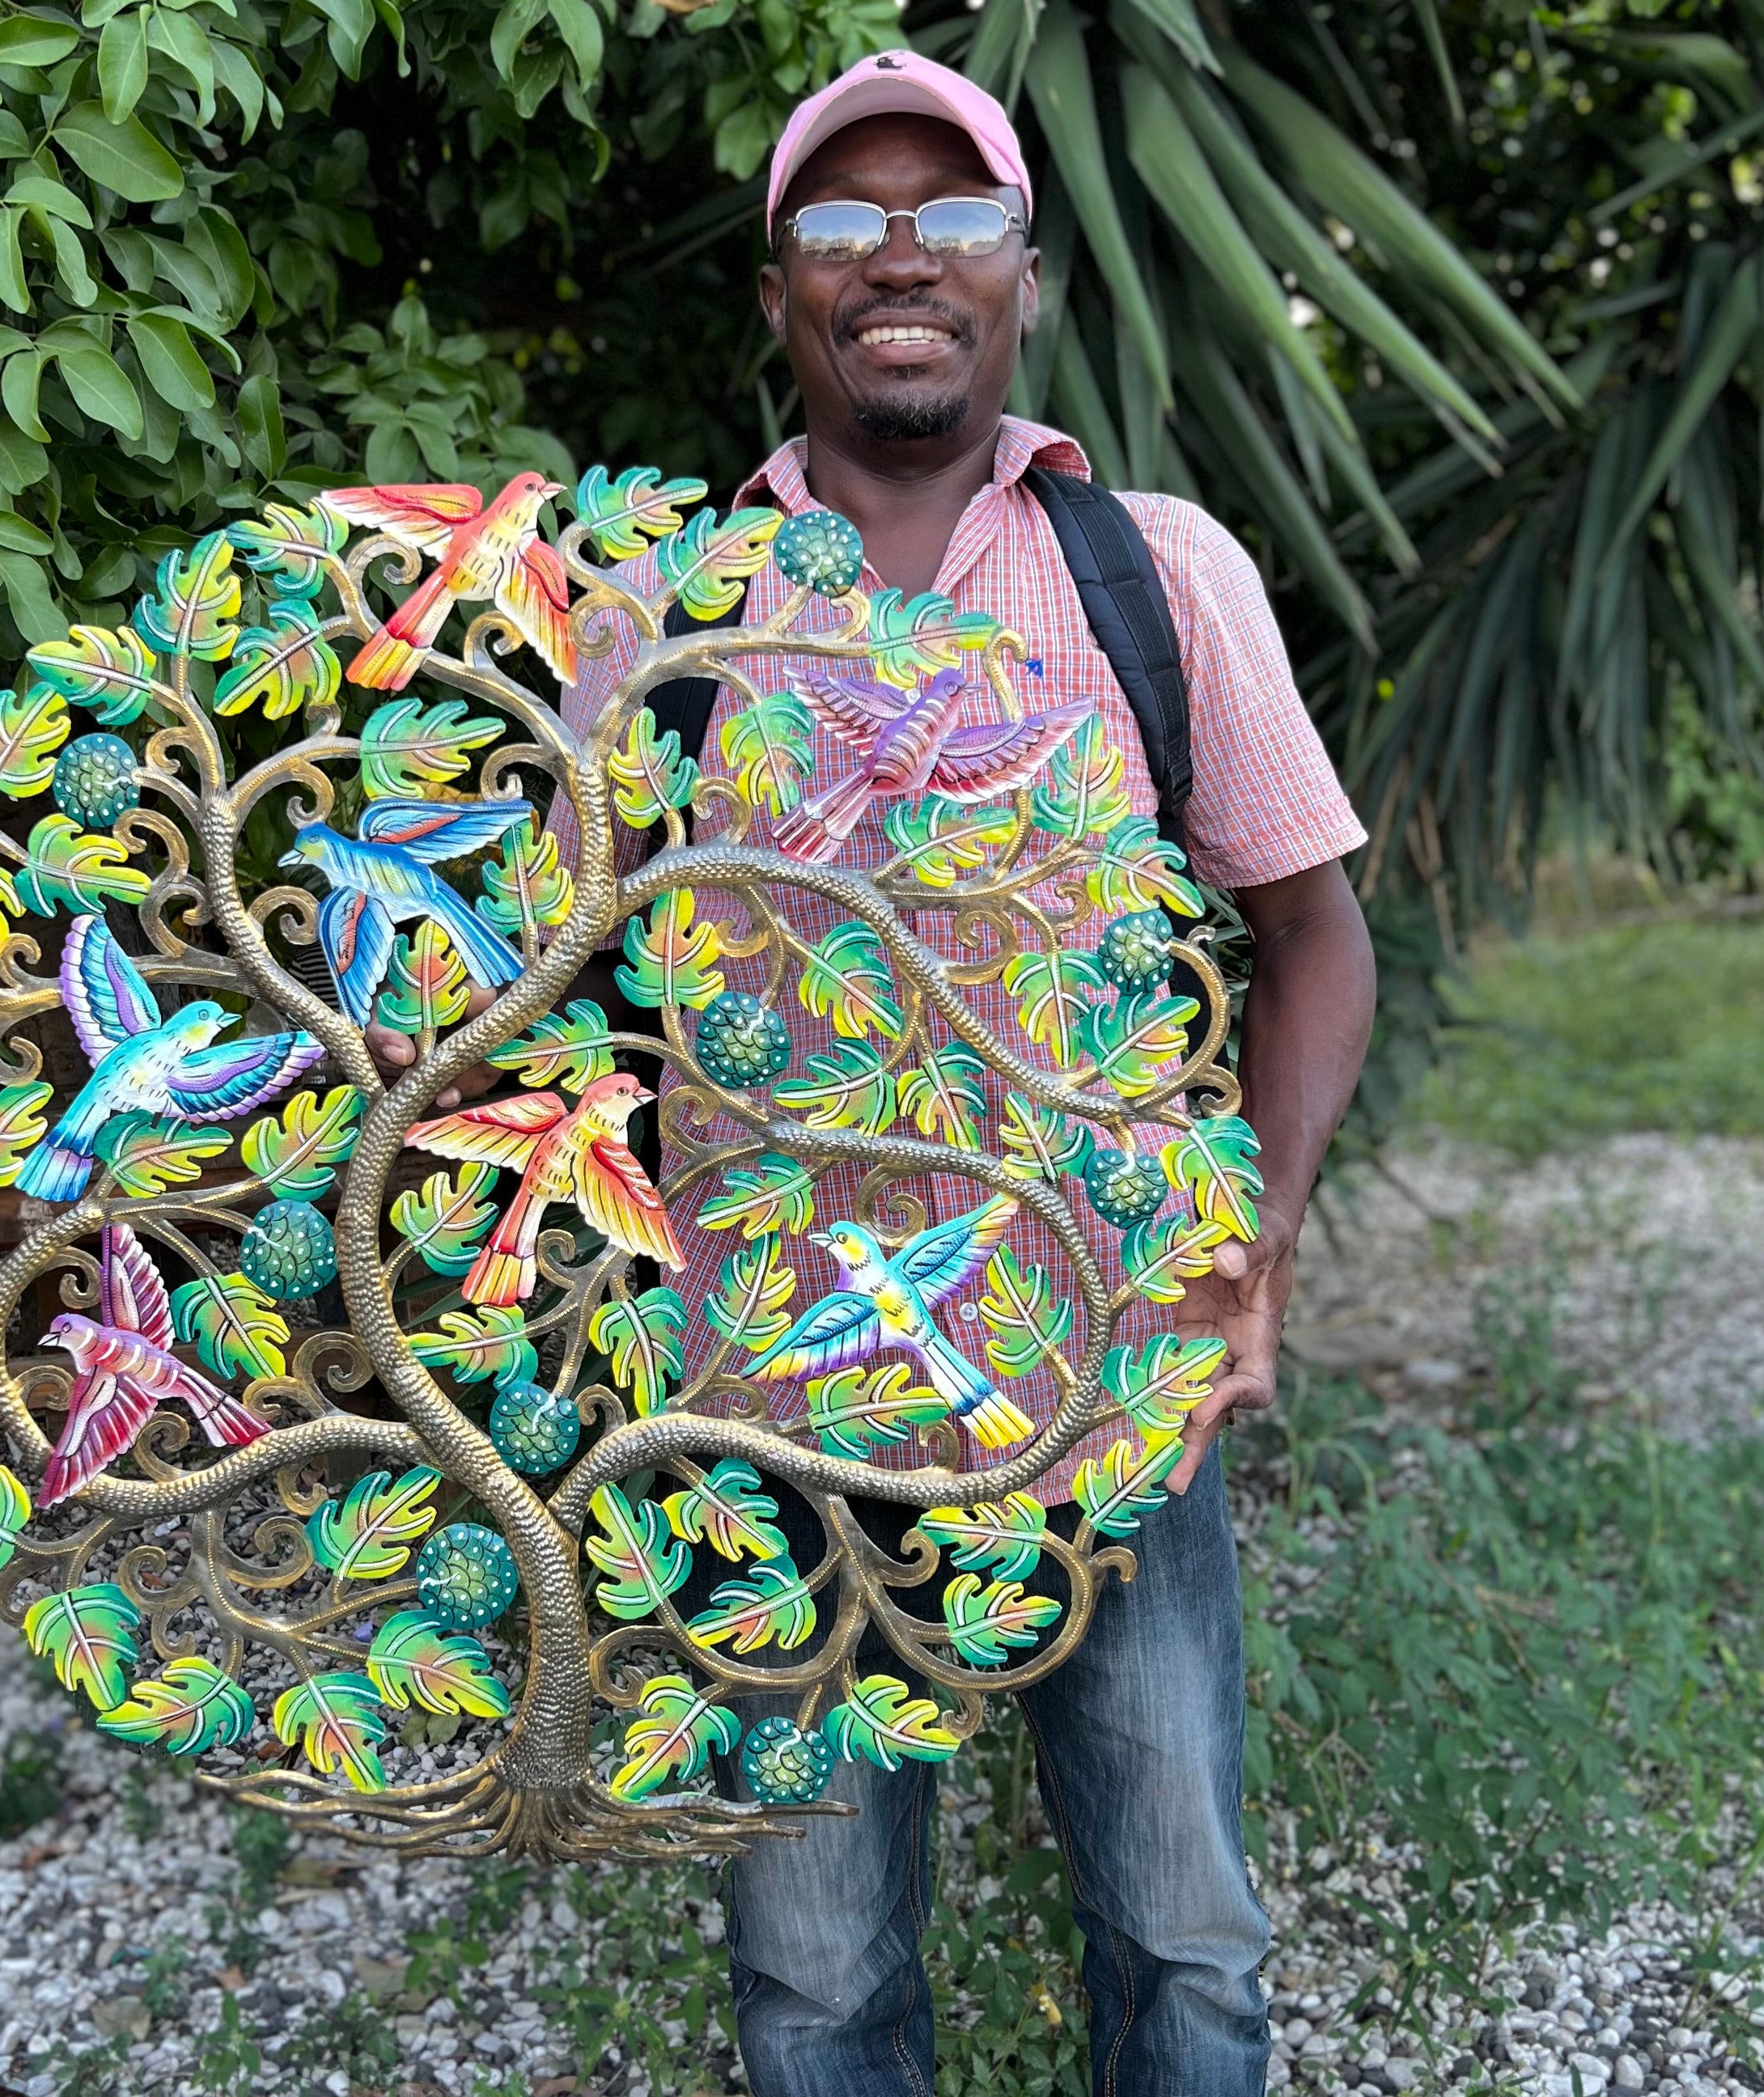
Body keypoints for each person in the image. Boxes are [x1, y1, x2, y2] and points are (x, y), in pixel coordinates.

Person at [373, 49, 1376, 2096]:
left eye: (953, 217)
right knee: (816, 1989)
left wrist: (1247, 1260)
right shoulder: (666, 614)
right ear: (779, 294)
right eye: (842, 224)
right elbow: (560, 1014)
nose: (898, 259)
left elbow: (1317, 938)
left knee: (1187, 1944)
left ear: (1027, 273)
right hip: (772, 1420)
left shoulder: (1158, 573)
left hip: (1114, 1382)